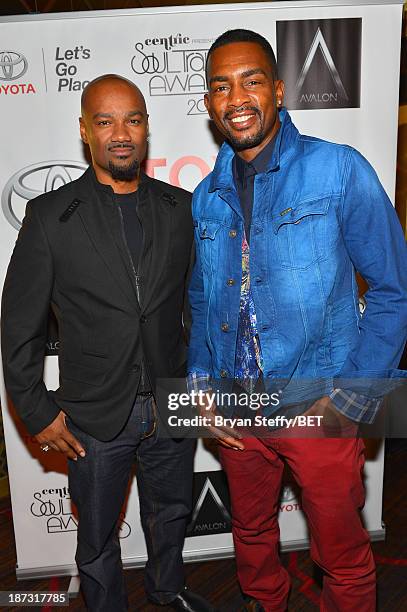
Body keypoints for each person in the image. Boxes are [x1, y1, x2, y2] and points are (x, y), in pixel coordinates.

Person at [187, 29, 407, 612]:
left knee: (341, 555)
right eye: (220, 86)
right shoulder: (204, 197)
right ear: (209, 103)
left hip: (320, 404)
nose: (236, 97)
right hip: (239, 409)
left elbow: (392, 291)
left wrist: (352, 400)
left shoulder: (338, 170)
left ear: (279, 90)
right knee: (253, 539)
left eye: (251, 80)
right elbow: (202, 298)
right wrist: (202, 385)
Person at [1, 74, 214, 612]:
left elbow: (196, 302)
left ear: (146, 128)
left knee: (170, 514)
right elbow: (18, 325)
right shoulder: (50, 218)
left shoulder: (182, 208)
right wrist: (35, 409)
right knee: (96, 540)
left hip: (172, 401)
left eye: (133, 120)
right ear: (84, 131)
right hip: (93, 415)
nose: (121, 133)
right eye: (105, 121)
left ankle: (168, 591)